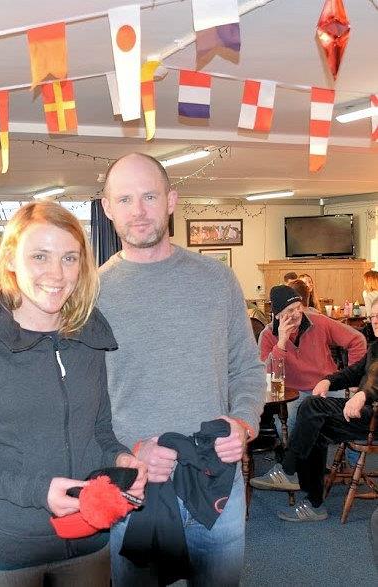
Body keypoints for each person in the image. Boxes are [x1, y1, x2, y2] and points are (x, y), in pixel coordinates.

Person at [0, 201, 146, 586]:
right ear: (11, 259)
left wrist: (121, 460)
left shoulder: (90, 336)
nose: (57, 274)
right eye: (40, 256)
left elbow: (100, 432)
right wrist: (36, 491)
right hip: (4, 553)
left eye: (69, 258)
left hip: (88, 543)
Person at [98, 153, 264, 586]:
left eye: (150, 196)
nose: (139, 211)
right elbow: (83, 403)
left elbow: (246, 368)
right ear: (107, 207)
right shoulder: (90, 294)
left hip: (217, 486)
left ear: (171, 199)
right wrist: (127, 451)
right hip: (133, 488)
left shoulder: (217, 280)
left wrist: (244, 423)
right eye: (126, 198)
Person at [250, 296, 378, 522]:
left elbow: (374, 379)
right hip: (363, 414)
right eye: (373, 316)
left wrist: (363, 394)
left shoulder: (321, 324)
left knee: (312, 407)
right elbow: (354, 372)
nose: (375, 321)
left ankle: (288, 469)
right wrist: (330, 381)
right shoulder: (376, 348)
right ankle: (314, 504)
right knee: (313, 425)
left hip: (373, 417)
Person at [259, 283, 365, 431]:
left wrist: (354, 379)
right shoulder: (267, 336)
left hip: (327, 385)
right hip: (293, 394)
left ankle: (352, 455)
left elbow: (357, 340)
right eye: (291, 310)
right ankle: (295, 455)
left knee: (353, 415)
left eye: (299, 307)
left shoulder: (319, 321)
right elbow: (270, 383)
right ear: (277, 315)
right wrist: (281, 343)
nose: (297, 314)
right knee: (288, 425)